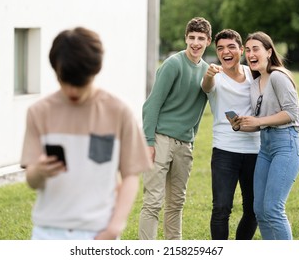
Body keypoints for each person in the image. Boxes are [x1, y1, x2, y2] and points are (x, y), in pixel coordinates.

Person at [20, 27, 153, 240]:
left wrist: (114, 228)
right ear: (56, 71)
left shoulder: (119, 112)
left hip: (98, 233)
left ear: (94, 72)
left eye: (80, 83)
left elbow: (130, 175)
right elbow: (31, 180)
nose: (73, 91)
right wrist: (40, 171)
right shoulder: (39, 112)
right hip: (48, 233)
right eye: (66, 81)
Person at [138, 17, 211, 240]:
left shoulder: (207, 72)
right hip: (160, 140)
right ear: (185, 39)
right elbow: (151, 105)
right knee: (153, 201)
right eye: (191, 38)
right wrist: (148, 142)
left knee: (176, 203)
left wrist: (191, 140)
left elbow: (198, 110)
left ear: (208, 41)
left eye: (200, 38)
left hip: (184, 144)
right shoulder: (173, 64)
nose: (195, 43)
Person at [232, 31, 299, 240]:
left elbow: (292, 114)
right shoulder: (255, 84)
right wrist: (240, 125)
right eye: (247, 50)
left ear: (269, 51)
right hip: (265, 148)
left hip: (286, 145)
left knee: (273, 208)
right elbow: (259, 122)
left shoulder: (279, 77)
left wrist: (259, 121)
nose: (250, 54)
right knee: (260, 211)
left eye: (256, 49)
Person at [201, 29, 260, 240]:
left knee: (253, 209)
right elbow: (206, 86)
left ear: (241, 50)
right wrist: (208, 76)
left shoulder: (253, 75)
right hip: (225, 151)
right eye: (220, 48)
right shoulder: (214, 76)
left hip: (255, 150)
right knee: (221, 209)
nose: (226, 52)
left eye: (231, 47)